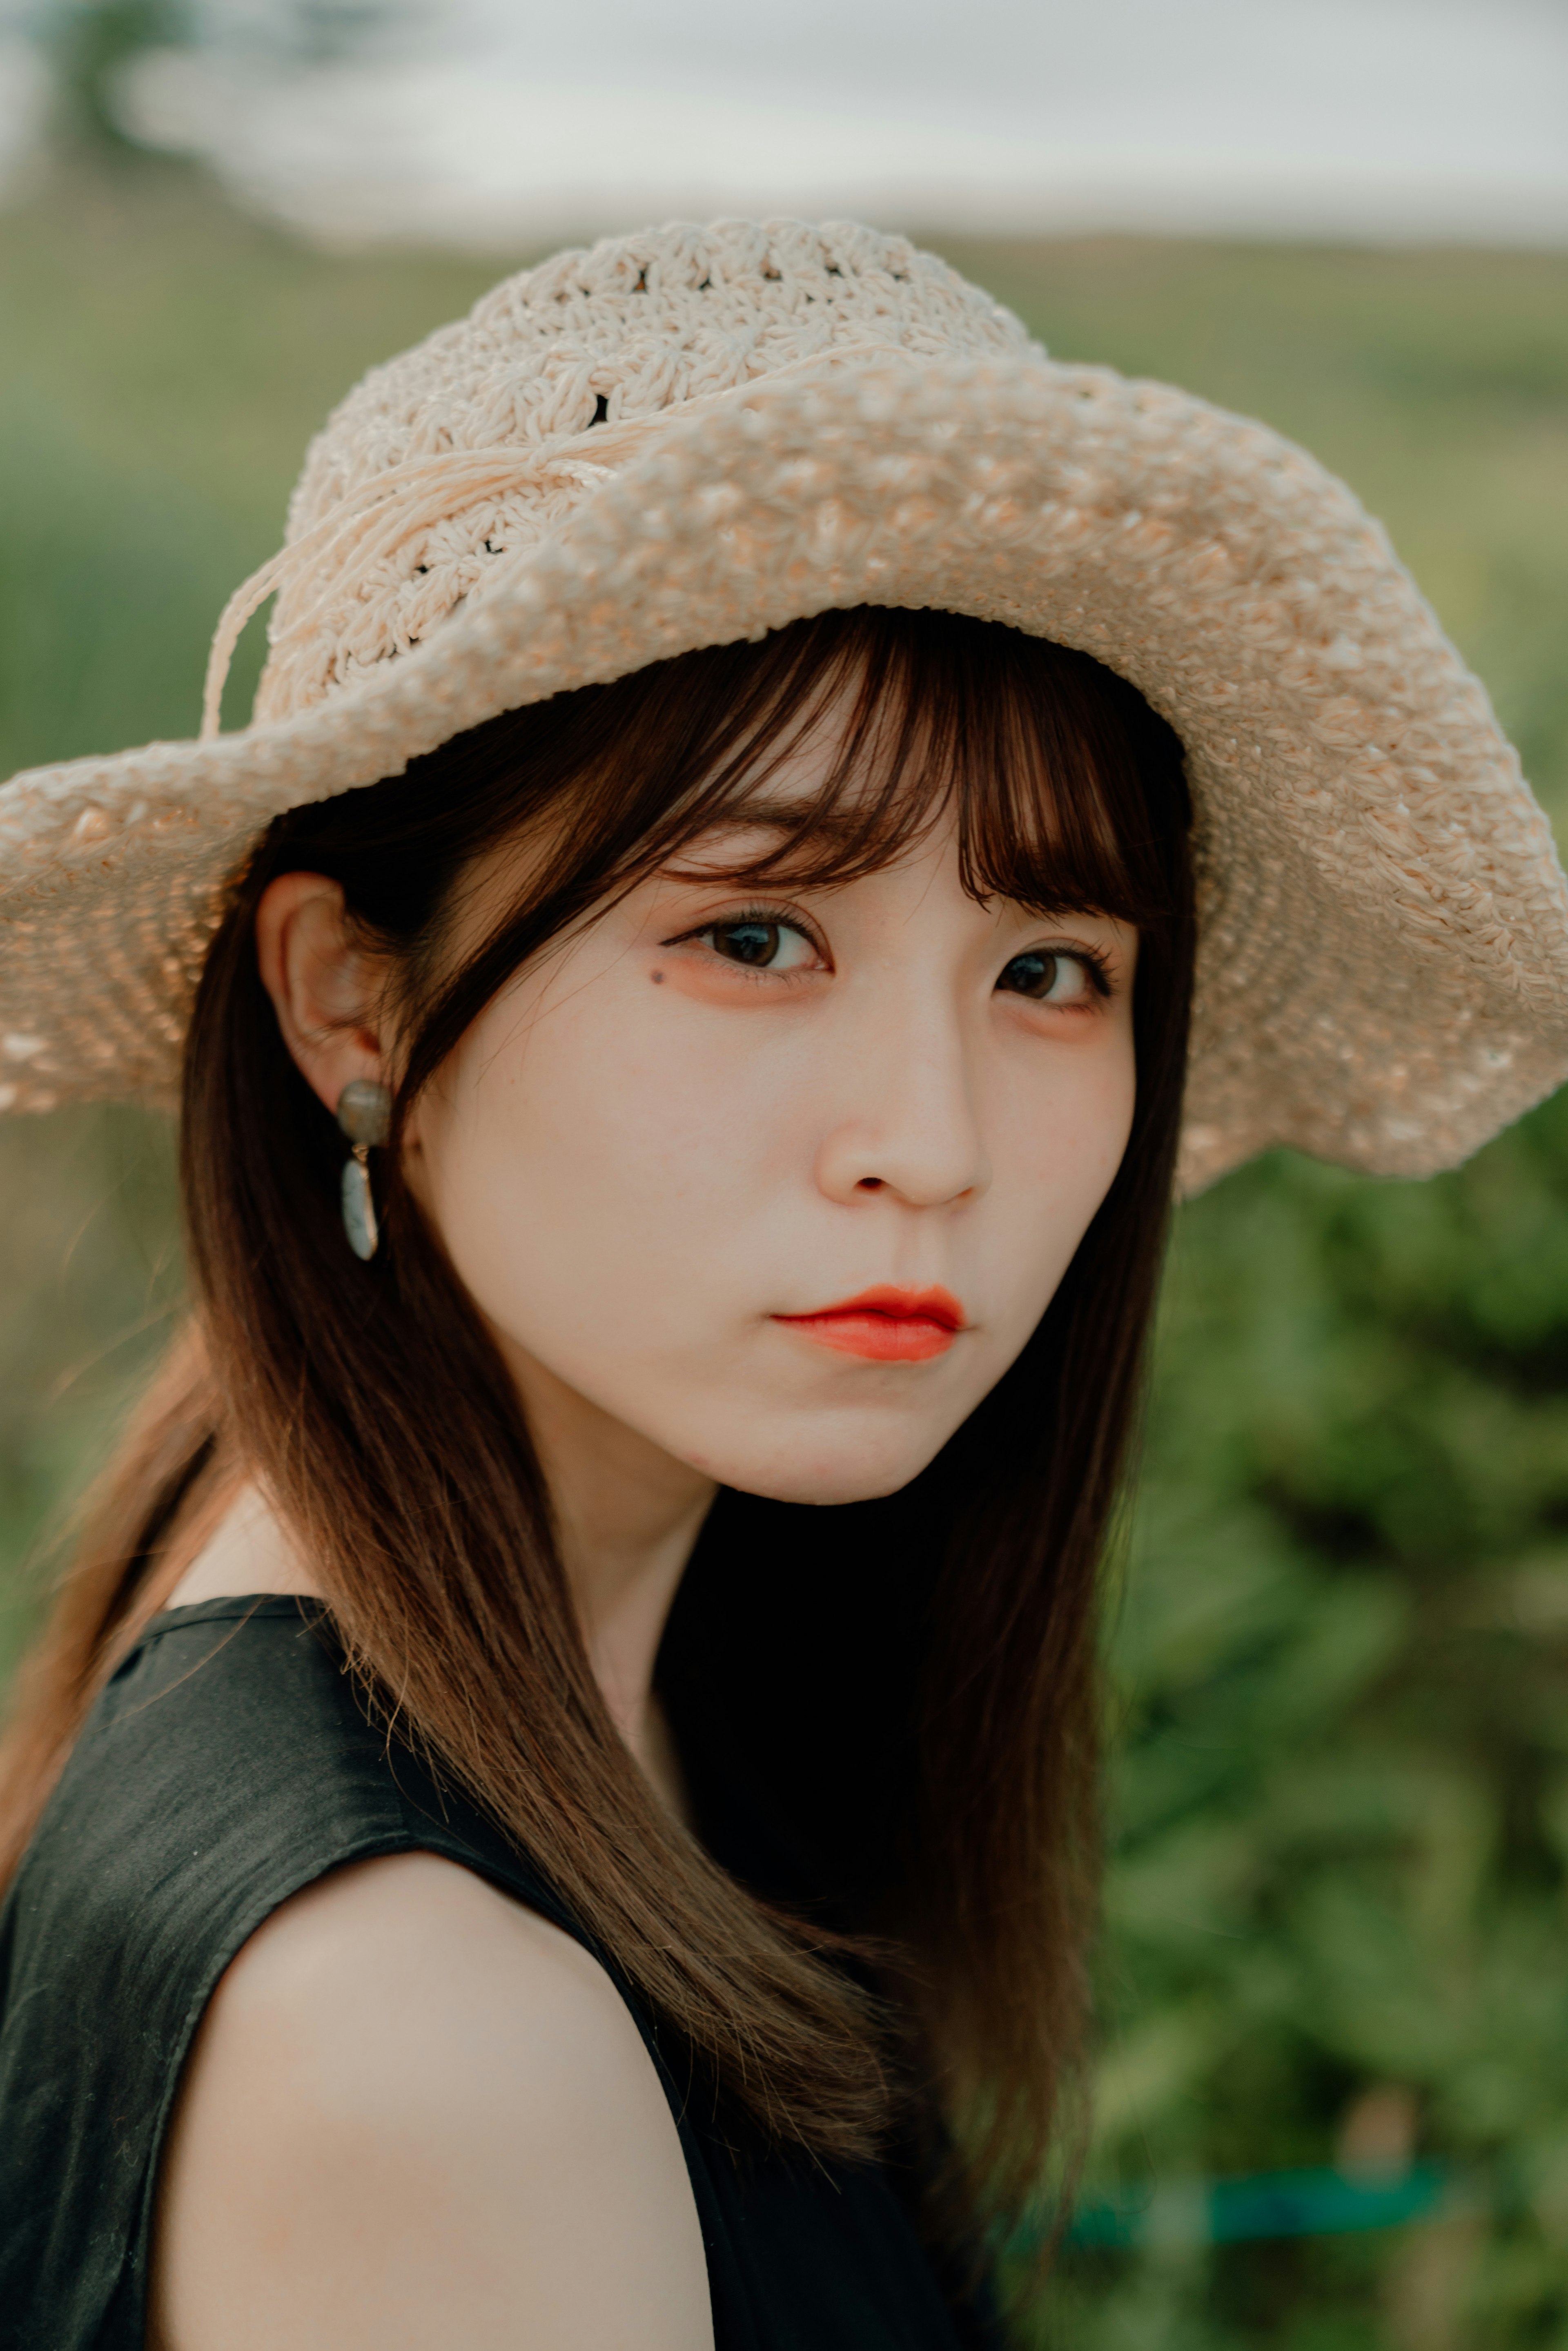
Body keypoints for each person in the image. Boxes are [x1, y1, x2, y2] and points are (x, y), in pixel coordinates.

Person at [0, 219, 1562, 2351]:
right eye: (753, 938)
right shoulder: (421, 2026)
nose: (930, 1141)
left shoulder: (622, 1669)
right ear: (354, 1000)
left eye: (1050, 973)